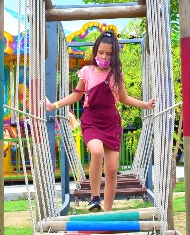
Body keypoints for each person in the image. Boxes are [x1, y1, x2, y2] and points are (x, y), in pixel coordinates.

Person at [45, 31, 154, 212]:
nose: (104, 56)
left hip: (111, 121)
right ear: (96, 51)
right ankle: (94, 198)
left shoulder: (116, 74)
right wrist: (54, 105)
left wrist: (146, 105)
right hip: (92, 120)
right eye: (101, 52)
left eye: (109, 54)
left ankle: (108, 212)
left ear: (114, 55)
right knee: (96, 152)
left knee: (111, 170)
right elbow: (76, 95)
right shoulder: (87, 72)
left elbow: (124, 98)